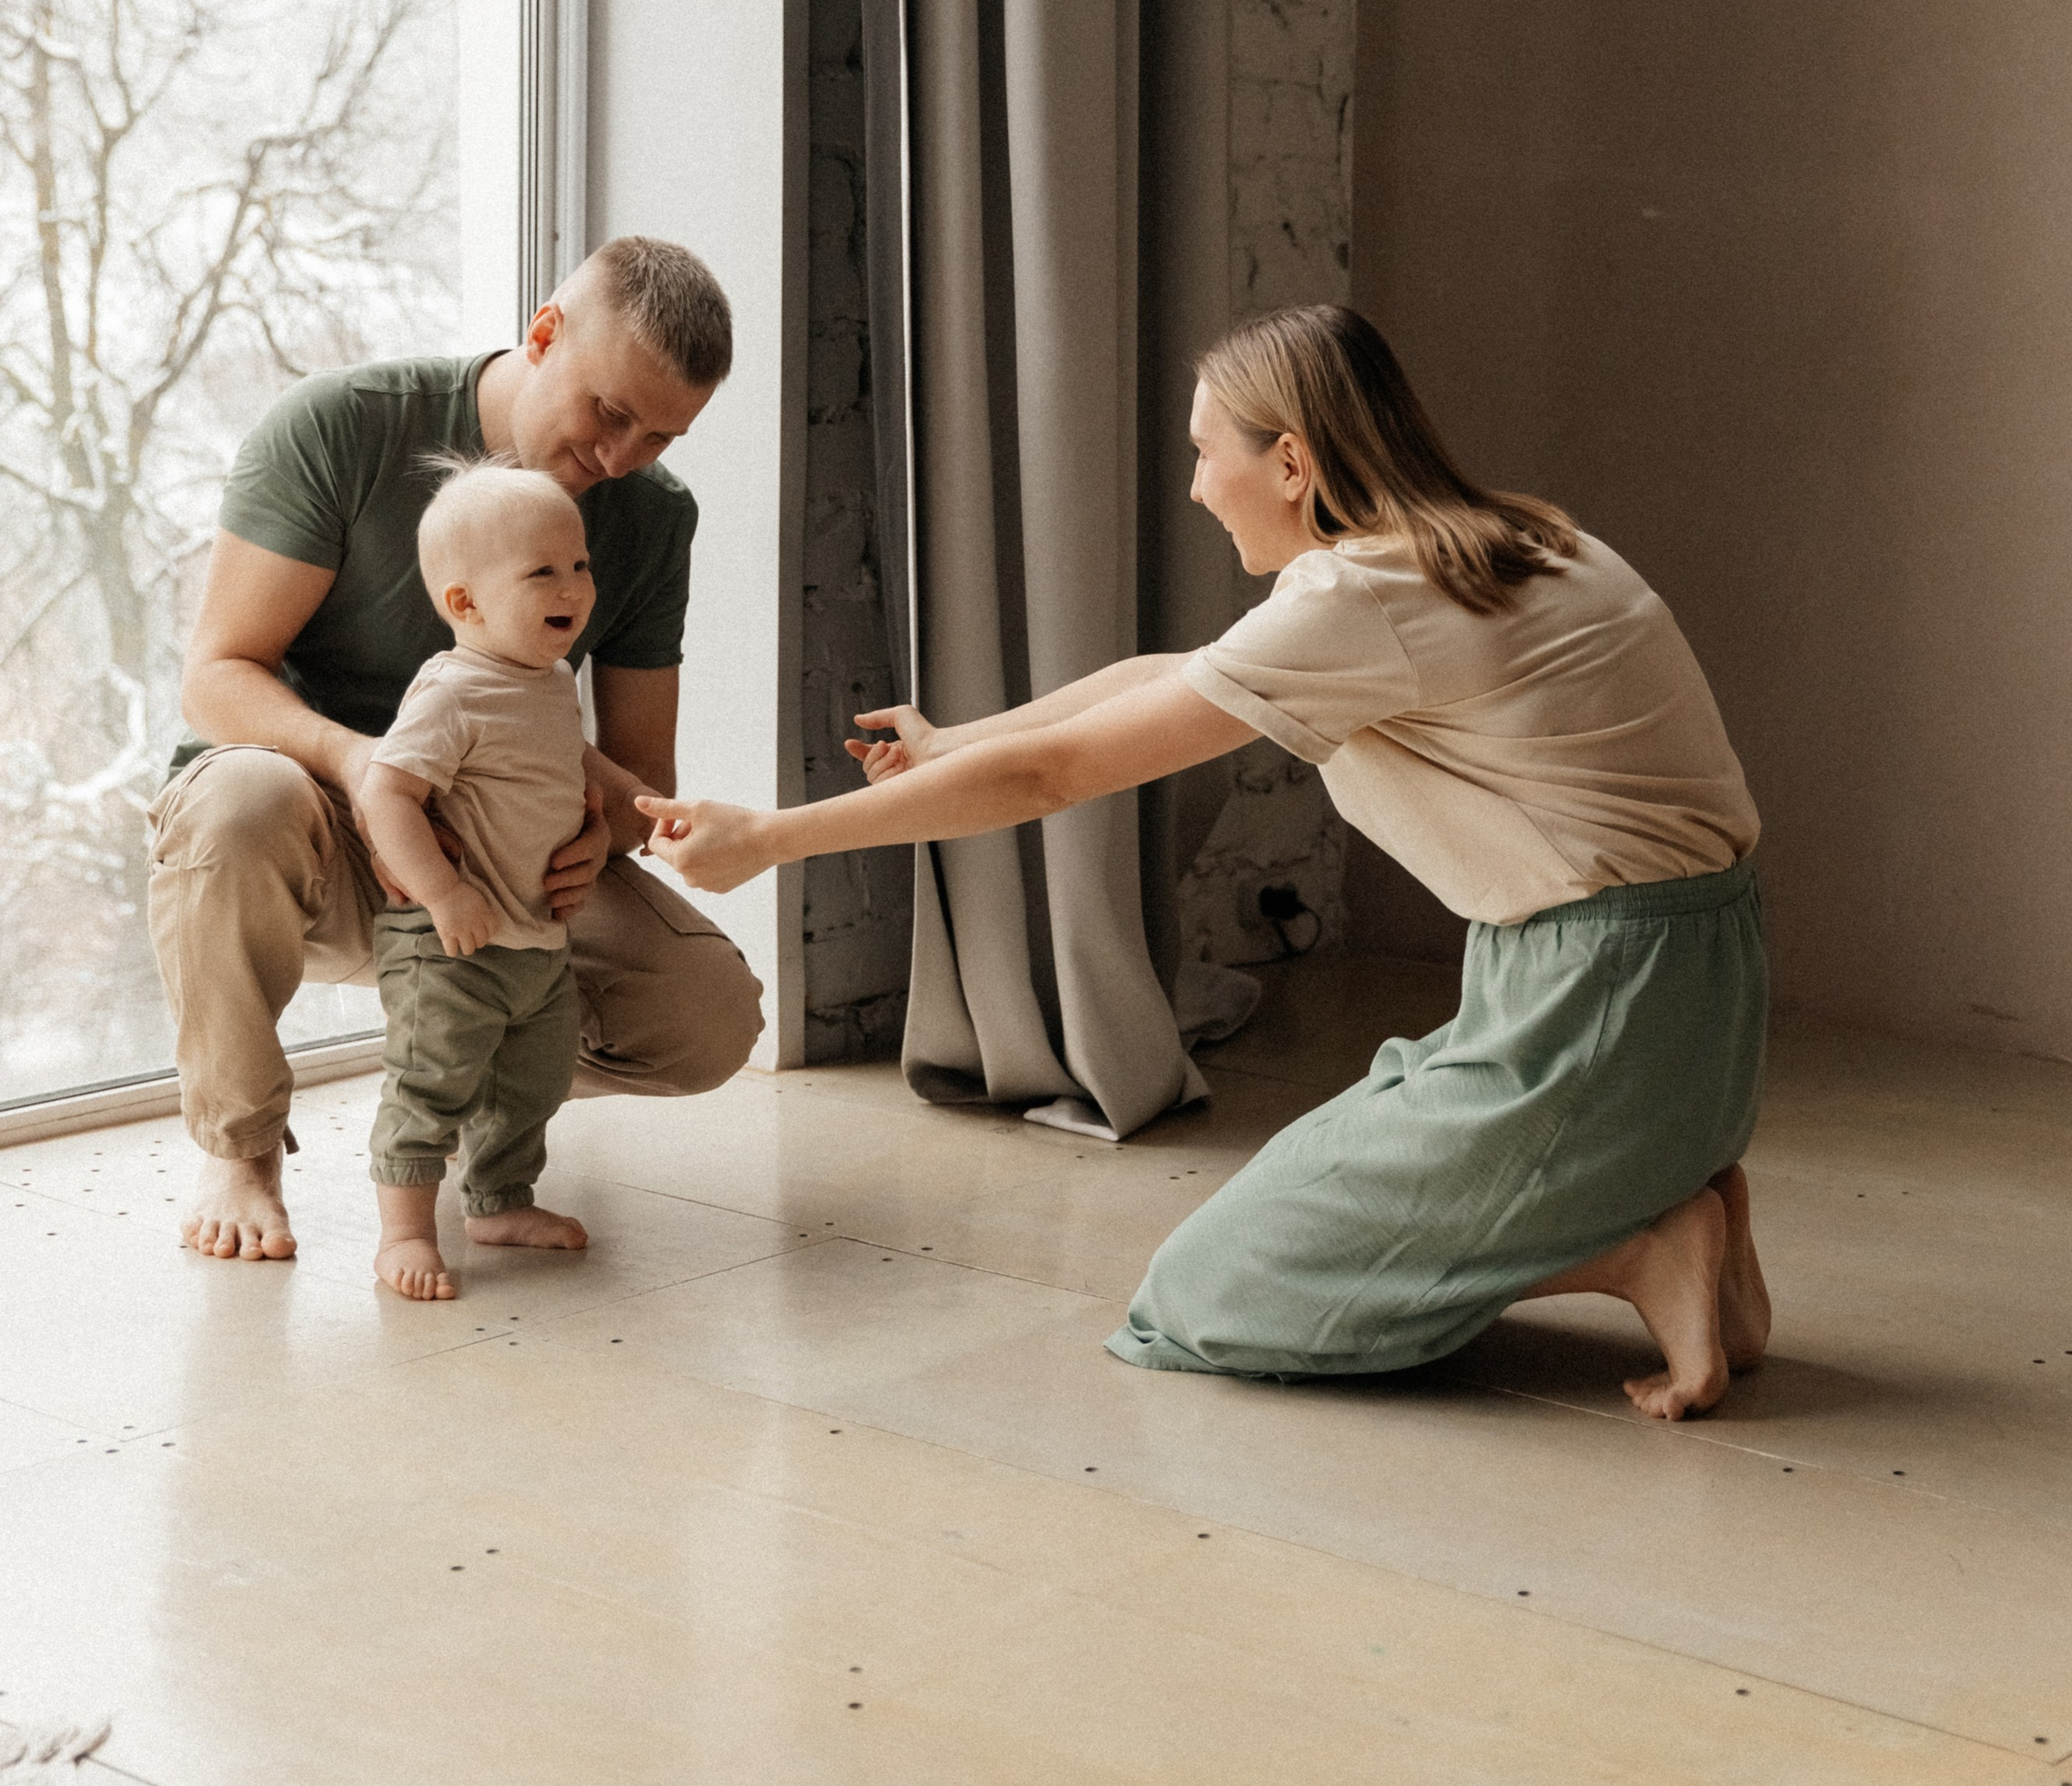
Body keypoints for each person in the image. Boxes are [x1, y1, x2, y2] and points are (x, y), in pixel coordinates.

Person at [635, 303, 1771, 1420]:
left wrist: (773, 840)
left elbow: (1057, 780)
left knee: (1205, 1297)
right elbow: (1171, 675)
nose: (1192, 486)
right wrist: (960, 739)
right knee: (1326, 1202)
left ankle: (1639, 1248)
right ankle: (1660, 1183)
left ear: (1292, 462)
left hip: (1597, 1015)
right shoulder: (1507, 542)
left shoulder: (1363, 599)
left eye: (1203, 451)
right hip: (1687, 1002)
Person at [152, 236, 765, 1264]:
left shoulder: (653, 520)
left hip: (506, 865)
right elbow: (216, 677)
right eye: (610, 413)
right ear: (543, 333)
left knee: (706, 1017)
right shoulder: (341, 426)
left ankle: (472, 1070)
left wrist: (592, 829)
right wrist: (360, 770)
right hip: (316, 828)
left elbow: (637, 777)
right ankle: (241, 1150)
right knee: (239, 799)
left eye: (662, 435)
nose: (621, 458)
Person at [360, 461, 596, 1303]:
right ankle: (405, 1233)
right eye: (543, 572)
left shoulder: (552, 680)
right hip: (452, 945)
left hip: (535, 941)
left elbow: (557, 774)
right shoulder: (453, 691)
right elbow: (386, 791)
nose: (573, 585)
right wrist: (443, 893)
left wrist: (605, 822)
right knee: (432, 1080)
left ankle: (497, 1201)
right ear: (466, 604)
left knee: (529, 1082)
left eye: (579, 564)